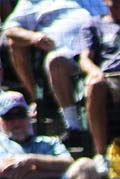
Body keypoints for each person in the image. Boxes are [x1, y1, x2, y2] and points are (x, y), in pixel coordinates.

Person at [1, 0, 94, 142]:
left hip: (100, 49)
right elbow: (10, 29)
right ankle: (73, 127)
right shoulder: (34, 2)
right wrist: (34, 37)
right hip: (66, 54)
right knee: (55, 61)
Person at [78, 0, 120, 175]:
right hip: (109, 78)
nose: (117, 2)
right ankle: (101, 154)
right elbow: (85, 59)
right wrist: (95, 72)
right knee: (95, 85)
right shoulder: (93, 24)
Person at [0, 92, 102, 179]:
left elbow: (68, 163)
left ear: (29, 116)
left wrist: (30, 160)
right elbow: (5, 171)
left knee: (86, 165)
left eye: (20, 115)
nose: (16, 122)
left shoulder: (50, 142)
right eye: (9, 117)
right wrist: (52, 170)